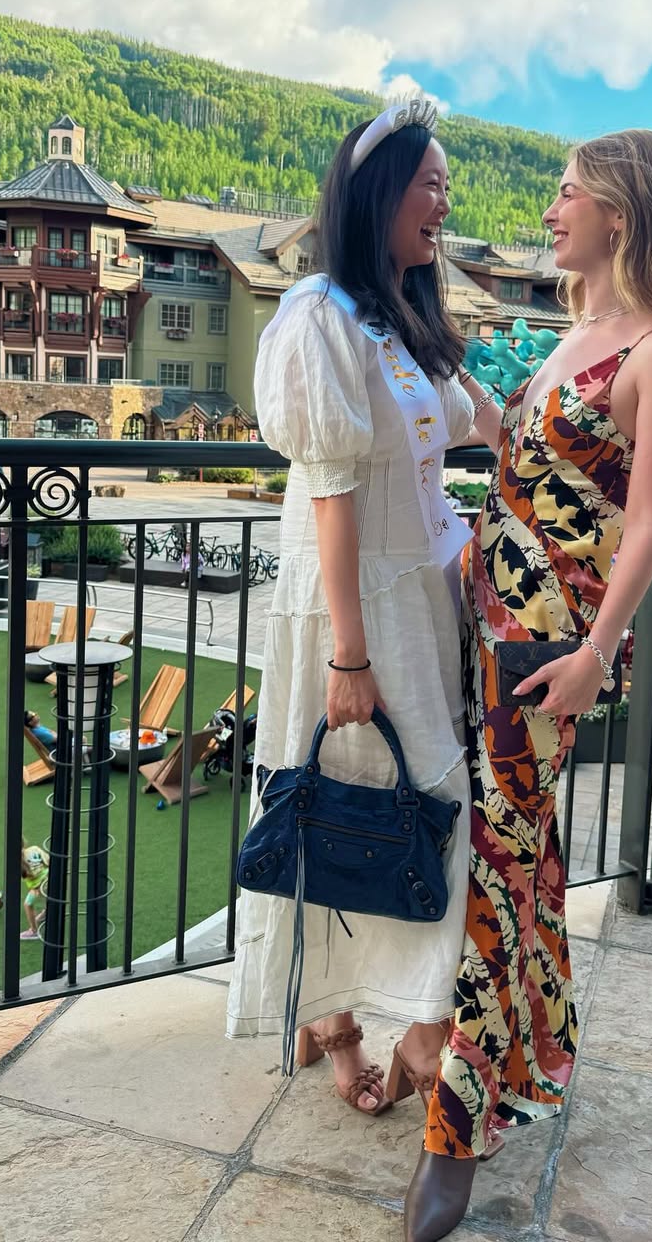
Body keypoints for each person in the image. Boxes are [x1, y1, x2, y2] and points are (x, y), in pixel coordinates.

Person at [418, 127, 652, 1241]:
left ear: (622, 212)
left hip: (545, 652)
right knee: (523, 854)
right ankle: (531, 1060)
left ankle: (453, 1133)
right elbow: (517, 454)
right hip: (483, 624)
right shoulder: (572, 334)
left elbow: (650, 521)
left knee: (499, 868)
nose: (550, 211)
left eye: (566, 194)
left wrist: (597, 650)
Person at [226, 102, 475, 1120]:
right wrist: (349, 655)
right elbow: (330, 494)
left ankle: (399, 1017)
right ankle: (343, 1025)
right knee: (332, 804)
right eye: (431, 185)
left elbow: (473, 421)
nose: (445, 205)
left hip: (415, 597)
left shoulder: (397, 314)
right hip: (353, 607)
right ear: (379, 194)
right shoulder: (317, 315)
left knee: (414, 804)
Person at [20, 838, 49, 941]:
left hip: (39, 886)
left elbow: (28, 876)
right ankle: (46, 913)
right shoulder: (34, 849)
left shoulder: (17, 862)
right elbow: (48, 861)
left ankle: (34, 931)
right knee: (48, 898)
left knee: (27, 904)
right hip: (50, 878)